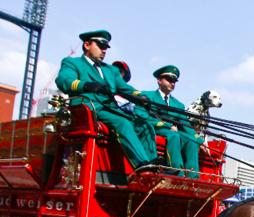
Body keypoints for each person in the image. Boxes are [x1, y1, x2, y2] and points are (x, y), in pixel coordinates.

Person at [55, 30, 158, 168]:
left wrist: (140, 97)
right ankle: (142, 166)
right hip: (89, 108)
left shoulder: (110, 70)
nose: (104, 50)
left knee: (144, 125)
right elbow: (63, 80)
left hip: (109, 109)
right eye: (100, 46)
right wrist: (84, 85)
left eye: (106, 48)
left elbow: (125, 87)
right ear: (86, 45)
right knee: (123, 123)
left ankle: (153, 167)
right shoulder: (73, 63)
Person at [136, 65, 204, 179]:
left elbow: (184, 125)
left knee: (191, 140)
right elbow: (140, 114)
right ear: (159, 80)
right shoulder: (147, 96)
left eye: (174, 81)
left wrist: (200, 140)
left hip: (171, 131)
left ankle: (193, 177)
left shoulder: (178, 105)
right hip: (153, 129)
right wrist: (166, 125)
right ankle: (176, 171)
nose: (172, 83)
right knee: (174, 136)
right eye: (169, 80)